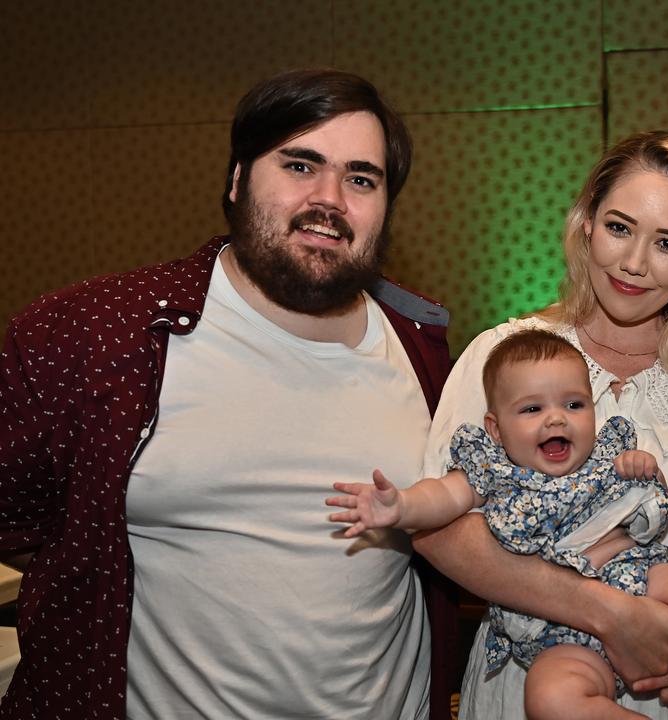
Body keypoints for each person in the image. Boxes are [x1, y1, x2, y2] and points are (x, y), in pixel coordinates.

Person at [0, 69, 457, 719]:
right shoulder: (96, 336)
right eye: (300, 165)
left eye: (361, 179)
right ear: (238, 178)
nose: (329, 199)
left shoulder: (424, 351)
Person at [414, 129, 668, 719]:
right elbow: (440, 530)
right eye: (620, 228)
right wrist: (608, 612)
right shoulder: (505, 358)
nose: (635, 264)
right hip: (534, 688)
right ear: (587, 222)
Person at [329, 329, 668, 720]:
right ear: (496, 429)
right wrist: (400, 508)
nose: (556, 420)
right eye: (532, 409)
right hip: (555, 631)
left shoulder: (607, 452)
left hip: (641, 575)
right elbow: (442, 498)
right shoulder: (492, 470)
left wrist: (638, 465)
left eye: (573, 405)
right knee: (551, 700)